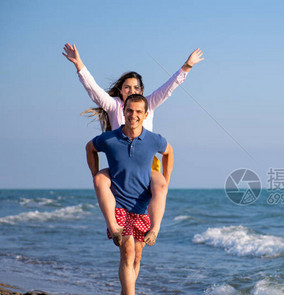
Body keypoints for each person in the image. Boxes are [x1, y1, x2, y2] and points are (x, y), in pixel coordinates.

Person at [64, 43, 203, 246]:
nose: (131, 91)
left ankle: (154, 231)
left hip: (146, 167)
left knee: (160, 186)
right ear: (120, 90)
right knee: (100, 182)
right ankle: (114, 226)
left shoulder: (149, 103)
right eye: (127, 87)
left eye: (136, 88)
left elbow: (169, 88)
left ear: (142, 92)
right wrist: (79, 65)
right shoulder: (114, 105)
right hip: (120, 167)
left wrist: (187, 67)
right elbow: (93, 90)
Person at [86, 94, 174, 295]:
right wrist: (96, 173)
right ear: (123, 112)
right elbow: (89, 148)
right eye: (129, 111)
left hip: (142, 206)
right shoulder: (110, 139)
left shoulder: (154, 140)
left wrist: (165, 178)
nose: (133, 115)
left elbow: (169, 152)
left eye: (138, 112)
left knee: (136, 258)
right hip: (119, 205)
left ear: (146, 115)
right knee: (127, 252)